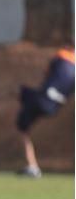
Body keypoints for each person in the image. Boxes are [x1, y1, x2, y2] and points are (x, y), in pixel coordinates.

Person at [16, 43, 75, 178]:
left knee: (22, 126)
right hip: (55, 106)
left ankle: (32, 166)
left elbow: (47, 74)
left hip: (42, 99)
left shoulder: (61, 55)